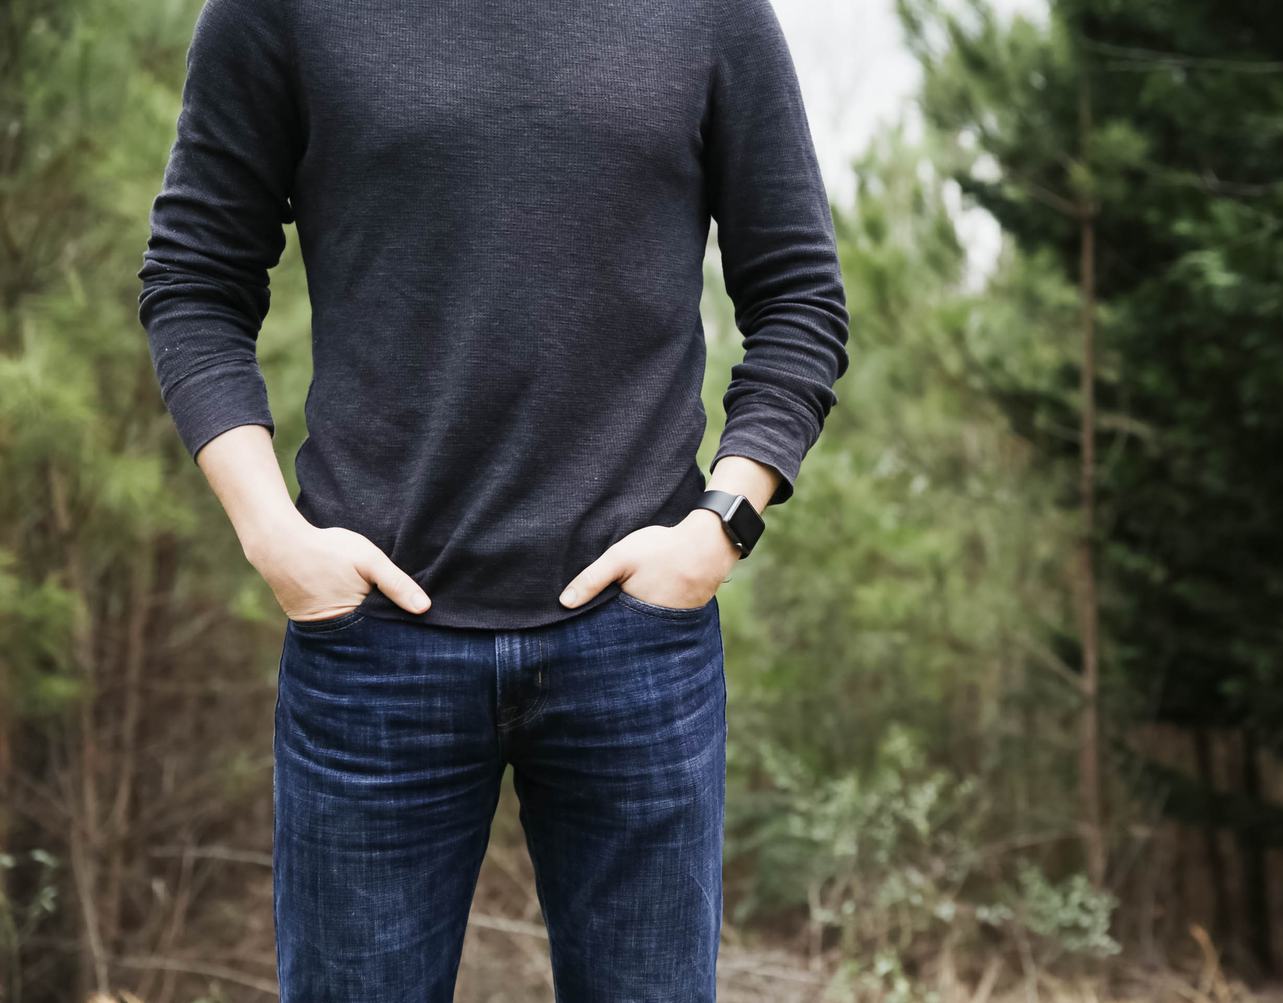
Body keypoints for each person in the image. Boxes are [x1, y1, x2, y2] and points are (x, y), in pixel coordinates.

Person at [135, 0, 849, 998]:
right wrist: (274, 538)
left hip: (636, 652)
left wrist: (721, 525)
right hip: (371, 650)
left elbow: (799, 299)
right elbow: (194, 281)